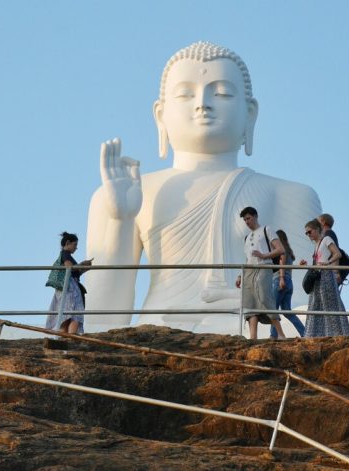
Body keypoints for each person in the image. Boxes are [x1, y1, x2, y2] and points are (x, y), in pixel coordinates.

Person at [84, 41, 322, 335]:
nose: (202, 103)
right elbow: (99, 319)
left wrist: (245, 298)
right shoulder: (129, 192)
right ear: (160, 115)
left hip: (249, 316)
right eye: (185, 94)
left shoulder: (290, 193)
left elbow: (303, 301)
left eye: (221, 92)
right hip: (161, 328)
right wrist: (120, 220)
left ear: (250, 114)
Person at [235, 207, 286, 340]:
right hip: (249, 270)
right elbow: (248, 258)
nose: (247, 221)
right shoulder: (246, 237)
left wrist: (264, 255)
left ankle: (280, 333)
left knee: (264, 297)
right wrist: (241, 275)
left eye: (249, 218)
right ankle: (253, 337)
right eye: (245, 219)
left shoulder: (266, 229)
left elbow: (280, 249)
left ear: (255, 216)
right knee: (249, 302)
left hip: (264, 266)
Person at [299, 219, 349, 337]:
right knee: (315, 304)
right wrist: (307, 265)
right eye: (306, 233)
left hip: (326, 276)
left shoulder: (326, 239)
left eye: (309, 232)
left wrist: (328, 263)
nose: (308, 235)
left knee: (330, 304)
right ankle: (314, 334)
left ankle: (338, 333)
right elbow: (318, 263)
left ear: (317, 229)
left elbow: (337, 253)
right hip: (318, 276)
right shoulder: (317, 245)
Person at [46, 232, 92, 335]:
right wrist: (81, 265)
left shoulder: (65, 255)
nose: (76, 248)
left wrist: (83, 267)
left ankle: (65, 336)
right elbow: (69, 267)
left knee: (66, 314)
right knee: (75, 313)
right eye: (75, 245)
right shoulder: (65, 254)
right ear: (67, 243)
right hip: (70, 288)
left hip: (66, 288)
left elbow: (74, 271)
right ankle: (71, 336)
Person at [270, 229, 306, 338]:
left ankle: (273, 335)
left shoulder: (282, 251)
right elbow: (287, 267)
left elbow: (282, 264)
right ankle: (304, 333)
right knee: (287, 311)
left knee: (273, 309)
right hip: (289, 282)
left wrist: (281, 279)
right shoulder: (289, 252)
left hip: (279, 280)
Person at [318, 213, 343, 285]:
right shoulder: (326, 235)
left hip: (330, 274)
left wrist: (336, 272)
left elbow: (335, 253)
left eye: (317, 221)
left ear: (323, 222)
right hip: (327, 273)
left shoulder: (329, 233)